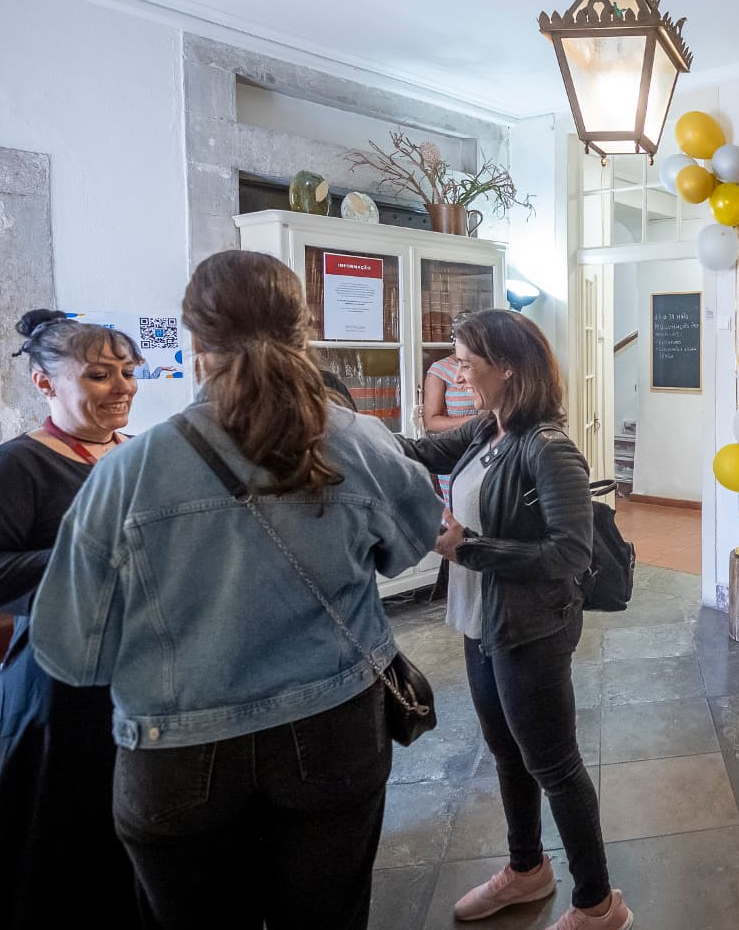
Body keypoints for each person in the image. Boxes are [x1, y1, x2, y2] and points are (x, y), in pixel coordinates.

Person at [29, 251, 442, 930]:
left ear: (196, 343)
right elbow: (409, 544)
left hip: (176, 748)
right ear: (304, 332)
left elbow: (73, 654)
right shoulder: (356, 443)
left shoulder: (127, 474)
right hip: (332, 723)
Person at [399, 310, 631, 929]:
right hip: (481, 626)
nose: (455, 371)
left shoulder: (548, 449)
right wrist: (337, 422)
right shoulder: (485, 431)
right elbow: (415, 448)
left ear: (506, 368)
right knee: (507, 754)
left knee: (554, 766)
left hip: (531, 629)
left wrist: (466, 547)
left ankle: (599, 905)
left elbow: (569, 555)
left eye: (466, 361)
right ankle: (527, 871)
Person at [0, 309, 142, 929]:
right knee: (59, 844)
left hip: (140, 679)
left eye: (129, 373)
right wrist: (87, 553)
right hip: (60, 689)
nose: (123, 388)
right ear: (45, 382)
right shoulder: (11, 467)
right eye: (101, 375)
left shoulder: (139, 455)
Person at [423, 311, 482, 433]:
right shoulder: (440, 369)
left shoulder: (490, 366)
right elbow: (431, 422)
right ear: (455, 338)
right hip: (457, 442)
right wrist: (477, 421)